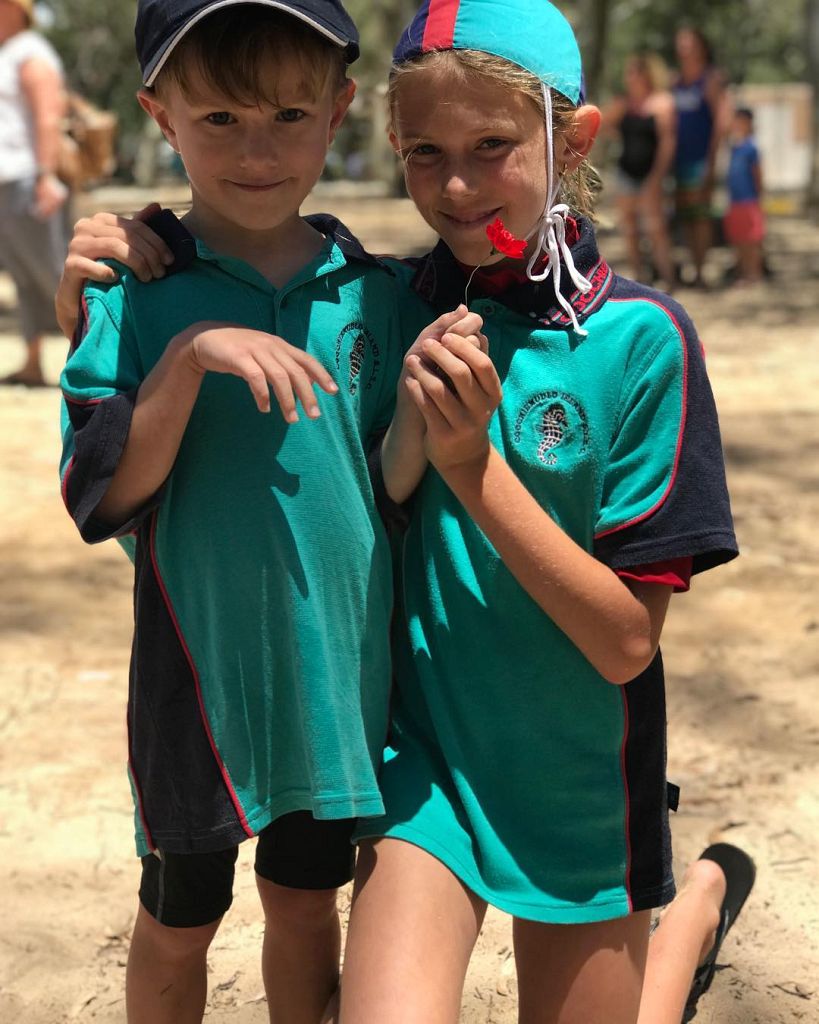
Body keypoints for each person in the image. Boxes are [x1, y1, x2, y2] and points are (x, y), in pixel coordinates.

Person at [55, 2, 755, 1019]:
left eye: (493, 146)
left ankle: (693, 901)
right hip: (412, 769)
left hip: (575, 779)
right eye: (425, 151)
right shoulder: (396, 294)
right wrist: (127, 252)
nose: (459, 184)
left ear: (575, 138)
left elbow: (623, 644)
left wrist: (470, 466)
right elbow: (243, 284)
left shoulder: (637, 342)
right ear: (385, 139)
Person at [57, 2, 483, 1022]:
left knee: (304, 906)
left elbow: (386, 485)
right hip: (197, 683)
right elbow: (101, 492)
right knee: (178, 920)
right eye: (219, 121)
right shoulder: (132, 292)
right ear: (160, 115)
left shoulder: (378, 293)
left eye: (291, 114)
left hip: (335, 676)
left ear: (342, 113)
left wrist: (430, 406)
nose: (258, 150)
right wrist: (191, 351)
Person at [0, 0, 69, 386]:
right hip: (5, 183)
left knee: (54, 274)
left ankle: (104, 358)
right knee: (23, 276)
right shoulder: (8, 53)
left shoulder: (30, 51)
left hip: (26, 178)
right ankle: (31, 361)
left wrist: (46, 176)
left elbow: (47, 114)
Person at [602, 52, 677, 289]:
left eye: (636, 72)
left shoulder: (662, 102)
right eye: (629, 73)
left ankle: (669, 280)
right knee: (630, 228)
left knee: (656, 230)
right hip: (626, 172)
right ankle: (640, 279)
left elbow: (668, 143)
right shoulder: (624, 104)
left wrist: (657, 177)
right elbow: (602, 123)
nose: (631, 78)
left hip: (650, 174)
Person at [671, 26, 729, 289]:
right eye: (680, 43)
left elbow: (721, 121)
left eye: (688, 43)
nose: (683, 48)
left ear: (701, 47)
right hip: (677, 160)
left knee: (702, 215)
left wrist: (712, 160)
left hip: (701, 159)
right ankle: (692, 268)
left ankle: (701, 271)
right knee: (686, 215)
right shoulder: (676, 81)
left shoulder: (710, 79)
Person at [724, 106, 765, 285]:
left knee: (752, 241)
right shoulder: (734, 147)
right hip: (735, 201)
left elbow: (757, 175)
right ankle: (741, 273)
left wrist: (759, 197)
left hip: (749, 201)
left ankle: (754, 274)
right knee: (738, 240)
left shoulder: (751, 148)